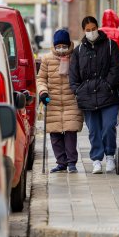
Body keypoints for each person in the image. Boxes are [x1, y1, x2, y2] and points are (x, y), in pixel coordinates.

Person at [69, 16, 119, 174]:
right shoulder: (79, 51)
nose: (91, 32)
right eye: (88, 30)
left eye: (93, 29)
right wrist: (78, 90)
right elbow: (74, 75)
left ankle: (110, 155)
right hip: (87, 96)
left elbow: (116, 68)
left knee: (108, 126)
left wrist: (108, 85)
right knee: (93, 130)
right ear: (83, 31)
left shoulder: (111, 46)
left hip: (109, 95)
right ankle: (97, 160)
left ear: (98, 28)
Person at [37, 29, 84, 173]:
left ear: (69, 44)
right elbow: (41, 79)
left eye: (64, 46)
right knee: (55, 134)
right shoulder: (47, 59)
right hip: (53, 101)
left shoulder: (76, 57)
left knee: (70, 133)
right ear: (54, 45)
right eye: (58, 46)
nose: (61, 49)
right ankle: (61, 162)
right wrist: (43, 92)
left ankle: (71, 162)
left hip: (72, 101)